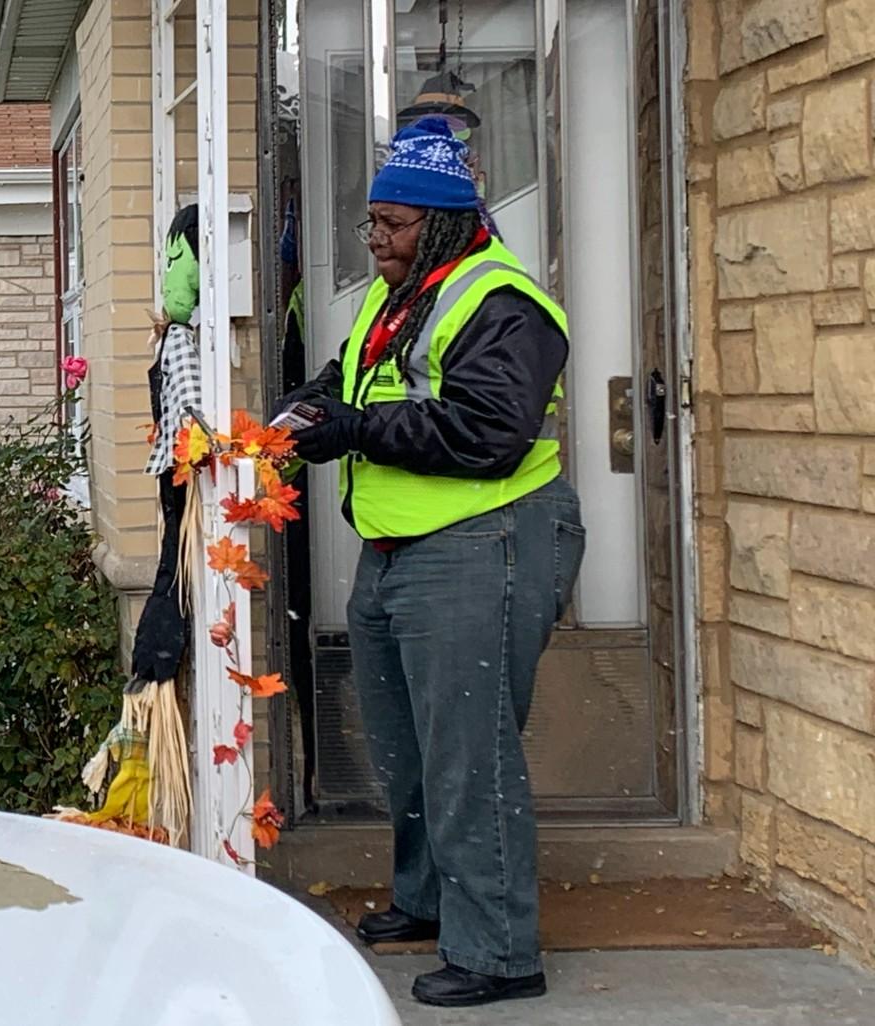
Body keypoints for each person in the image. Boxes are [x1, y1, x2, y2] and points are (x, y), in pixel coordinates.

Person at [277, 115, 585, 1009]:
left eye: (395, 223)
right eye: (372, 221)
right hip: (398, 549)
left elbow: (489, 432)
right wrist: (308, 408)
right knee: (404, 745)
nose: (375, 237)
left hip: (484, 539)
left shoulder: (502, 303)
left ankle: (497, 951)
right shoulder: (396, 294)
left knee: (468, 752)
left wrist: (356, 429)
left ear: (444, 224)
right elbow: (354, 380)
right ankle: (427, 901)